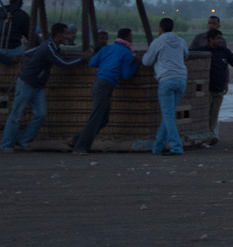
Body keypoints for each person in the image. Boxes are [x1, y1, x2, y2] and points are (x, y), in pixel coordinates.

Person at [1, 22, 86, 152]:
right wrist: (82, 58)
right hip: (27, 83)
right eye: (65, 33)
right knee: (16, 114)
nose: (67, 36)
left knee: (40, 114)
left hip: (38, 85)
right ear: (58, 35)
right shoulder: (48, 48)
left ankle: (23, 140)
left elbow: (31, 52)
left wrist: (21, 56)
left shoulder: (49, 46)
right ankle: (6, 145)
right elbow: (63, 64)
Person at [71, 28, 139, 154]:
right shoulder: (126, 53)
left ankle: (77, 139)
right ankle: (80, 147)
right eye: (131, 36)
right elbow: (125, 75)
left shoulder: (107, 48)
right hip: (107, 85)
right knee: (96, 117)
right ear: (127, 38)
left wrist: (106, 64)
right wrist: (135, 65)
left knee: (103, 119)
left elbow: (92, 63)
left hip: (98, 83)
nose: (132, 39)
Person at [141, 17, 189, 156]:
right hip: (181, 79)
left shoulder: (158, 42)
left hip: (166, 80)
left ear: (161, 28)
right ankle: (157, 146)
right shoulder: (180, 41)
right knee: (168, 115)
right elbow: (186, 55)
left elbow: (147, 61)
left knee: (168, 115)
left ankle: (176, 147)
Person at [203, 28, 233, 144]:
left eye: (220, 38)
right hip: (207, 89)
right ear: (211, 39)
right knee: (205, 114)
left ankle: (211, 135)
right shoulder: (203, 52)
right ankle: (207, 136)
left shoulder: (224, 52)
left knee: (214, 114)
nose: (220, 41)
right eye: (217, 38)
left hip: (219, 89)